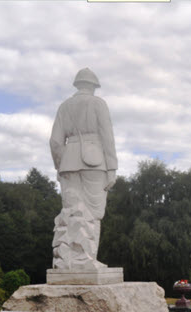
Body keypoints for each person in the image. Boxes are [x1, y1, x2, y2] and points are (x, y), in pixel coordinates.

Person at [49, 68, 118, 270]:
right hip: (94, 162)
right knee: (93, 213)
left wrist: (61, 165)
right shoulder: (98, 104)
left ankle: (67, 262)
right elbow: (107, 135)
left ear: (77, 85)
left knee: (71, 211)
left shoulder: (64, 106)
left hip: (68, 162)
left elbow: (55, 141)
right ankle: (86, 260)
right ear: (93, 86)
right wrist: (112, 167)